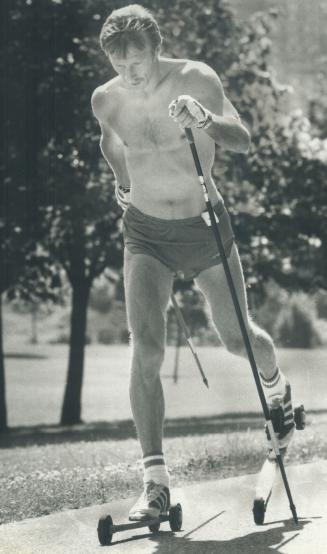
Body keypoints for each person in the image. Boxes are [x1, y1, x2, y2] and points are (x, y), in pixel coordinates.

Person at [91, 4, 295, 521]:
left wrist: (204, 118)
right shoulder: (106, 99)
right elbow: (110, 142)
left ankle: (278, 393)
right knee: (147, 350)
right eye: (119, 64)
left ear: (155, 49)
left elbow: (242, 140)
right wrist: (122, 183)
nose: (130, 73)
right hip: (145, 234)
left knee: (236, 337)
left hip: (205, 227)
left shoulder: (195, 78)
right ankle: (155, 485)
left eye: (137, 61)